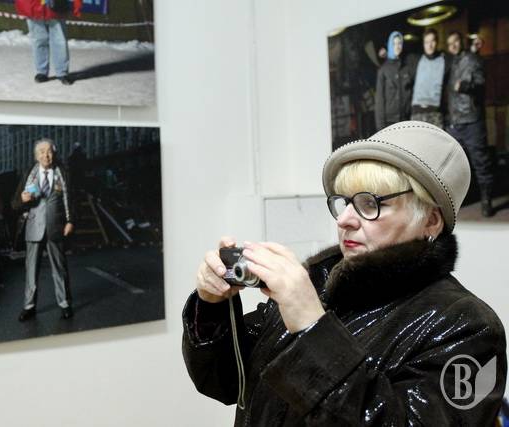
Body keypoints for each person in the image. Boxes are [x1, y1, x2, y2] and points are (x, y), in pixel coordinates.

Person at [182, 121, 506, 425]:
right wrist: (211, 307)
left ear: (430, 221)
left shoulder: (467, 328)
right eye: (345, 202)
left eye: (370, 203)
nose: (344, 219)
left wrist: (312, 327)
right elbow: (227, 382)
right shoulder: (317, 281)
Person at [14, 138, 74, 321]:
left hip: (56, 227)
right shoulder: (28, 174)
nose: (46, 155)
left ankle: (65, 304)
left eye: (49, 151)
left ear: (54, 153)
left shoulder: (63, 173)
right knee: (31, 270)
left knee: (59, 268)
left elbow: (71, 199)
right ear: (36, 156)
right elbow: (14, 203)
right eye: (41, 152)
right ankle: (29, 306)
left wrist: (70, 221)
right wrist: (22, 200)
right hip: (34, 228)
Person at [445, 31, 494, 217]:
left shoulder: (473, 59)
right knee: (457, 164)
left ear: (461, 41)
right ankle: (466, 197)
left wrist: (465, 86)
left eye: (456, 41)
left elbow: (481, 83)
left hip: (472, 120)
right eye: (450, 43)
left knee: (481, 162)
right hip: (455, 122)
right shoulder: (452, 62)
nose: (453, 45)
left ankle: (486, 200)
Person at [14, 0, 82, 85]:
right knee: (39, 40)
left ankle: (62, 73)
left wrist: (77, 6)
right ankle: (41, 72)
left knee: (60, 41)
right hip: (33, 7)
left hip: (57, 8)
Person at [375, 31, 417, 130]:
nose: (397, 47)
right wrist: (380, 127)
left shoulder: (406, 68)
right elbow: (379, 100)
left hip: (405, 120)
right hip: (389, 122)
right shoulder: (383, 70)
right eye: (394, 44)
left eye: (399, 43)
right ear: (390, 45)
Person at [411, 28, 448, 128]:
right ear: (423, 44)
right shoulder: (416, 60)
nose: (430, 45)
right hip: (417, 112)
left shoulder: (445, 59)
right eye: (427, 42)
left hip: (436, 113)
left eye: (432, 41)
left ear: (437, 42)